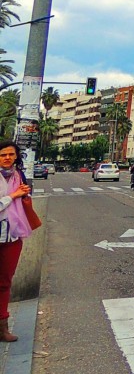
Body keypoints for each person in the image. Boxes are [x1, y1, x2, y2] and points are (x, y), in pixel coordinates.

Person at [0, 141, 34, 343]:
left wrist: (25, 194)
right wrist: (13, 195)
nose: (7, 158)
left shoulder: (18, 175)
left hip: (12, 236)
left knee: (4, 283)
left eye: (11, 154)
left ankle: (2, 327)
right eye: (3, 154)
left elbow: (24, 200)